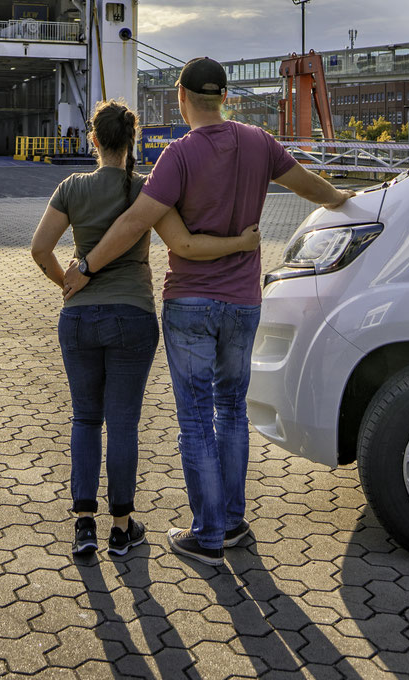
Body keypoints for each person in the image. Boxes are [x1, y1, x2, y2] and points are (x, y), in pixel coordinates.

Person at [64, 58, 352, 565]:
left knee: (196, 419)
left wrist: (86, 266)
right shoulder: (259, 141)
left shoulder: (178, 156)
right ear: (224, 96)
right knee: (232, 411)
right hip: (243, 303)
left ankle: (208, 534)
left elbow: (135, 223)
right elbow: (312, 187)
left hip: (191, 303)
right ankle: (234, 522)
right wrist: (348, 200)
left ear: (181, 96)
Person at [30, 99, 261, 560]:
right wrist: (241, 243)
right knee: (123, 424)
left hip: (79, 320)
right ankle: (121, 528)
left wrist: (69, 284)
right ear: (132, 140)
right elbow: (184, 243)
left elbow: (40, 249)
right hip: (132, 317)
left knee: (83, 418)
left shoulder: (72, 186)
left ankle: (83, 527)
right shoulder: (145, 189)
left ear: (93, 139)